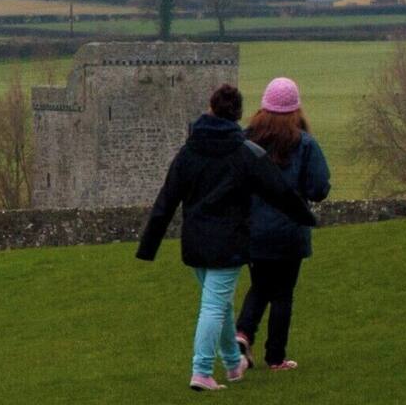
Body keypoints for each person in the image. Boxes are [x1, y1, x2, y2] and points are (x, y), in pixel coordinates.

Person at [136, 84, 318, 392]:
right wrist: (306, 217)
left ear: (210, 107)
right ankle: (202, 370)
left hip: (194, 242)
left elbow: (167, 199)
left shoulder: (189, 150)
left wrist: (148, 245)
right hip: (229, 243)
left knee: (219, 305)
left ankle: (234, 363)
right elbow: (278, 191)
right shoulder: (245, 153)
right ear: (237, 114)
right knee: (213, 306)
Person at [234, 78, 331, 372]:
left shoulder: (245, 141)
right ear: (295, 109)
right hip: (290, 230)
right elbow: (318, 188)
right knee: (282, 294)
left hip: (253, 229)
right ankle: (275, 358)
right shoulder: (304, 143)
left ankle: (242, 334)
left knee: (260, 286)